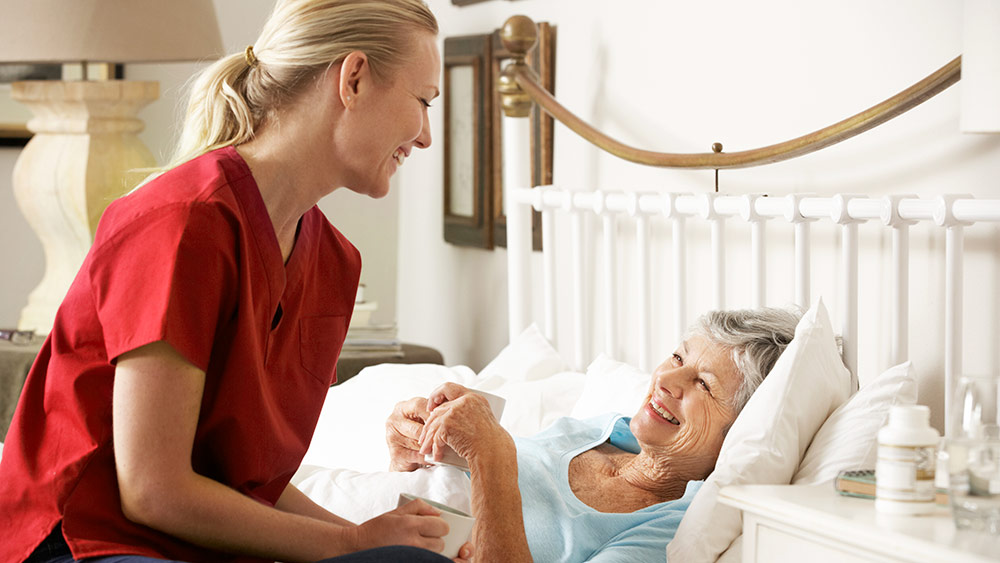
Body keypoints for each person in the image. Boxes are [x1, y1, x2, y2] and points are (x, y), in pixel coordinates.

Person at [0, 1, 461, 562]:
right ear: (354, 78)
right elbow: (152, 491)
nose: (427, 136)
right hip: (85, 544)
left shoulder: (334, 263)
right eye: (423, 101)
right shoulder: (182, 223)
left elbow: (246, 478)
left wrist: (377, 539)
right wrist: (352, 543)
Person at [386, 308, 801, 562]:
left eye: (704, 385)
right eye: (677, 357)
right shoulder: (598, 429)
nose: (667, 379)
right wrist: (414, 449)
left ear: (740, 431)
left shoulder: (674, 528)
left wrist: (490, 455)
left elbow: (493, 470)